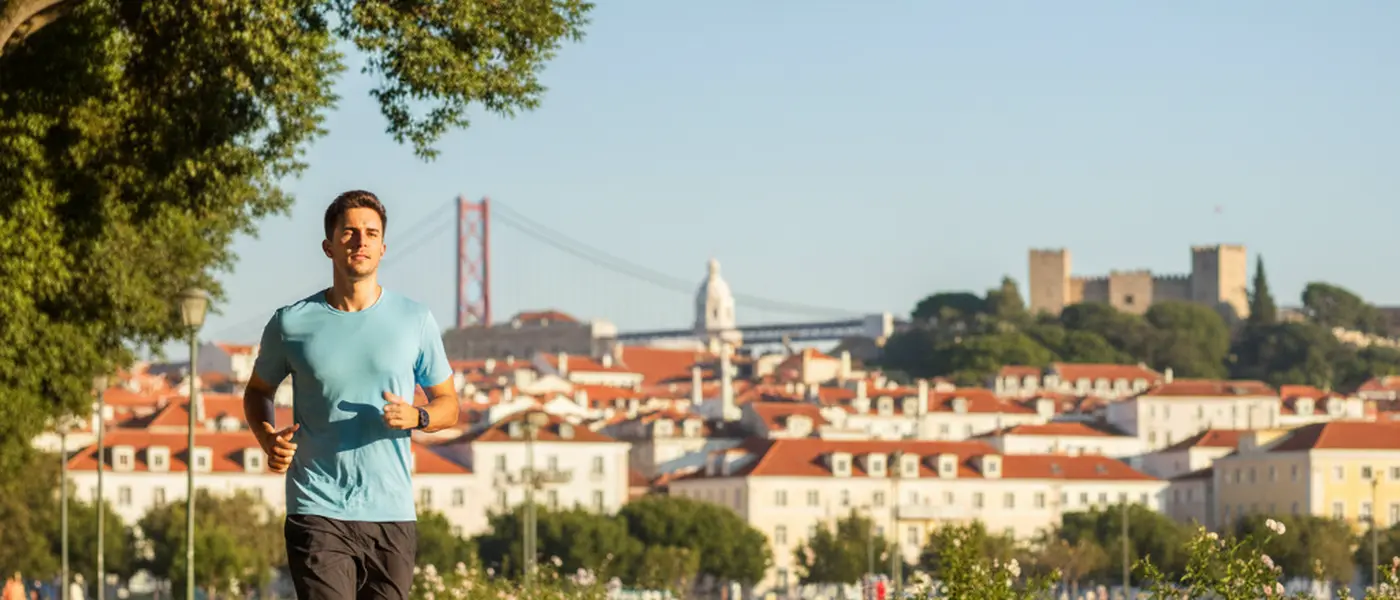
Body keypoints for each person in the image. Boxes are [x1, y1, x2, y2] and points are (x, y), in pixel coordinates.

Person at [243, 190, 459, 599]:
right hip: (317, 506)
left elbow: (450, 406)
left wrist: (418, 416)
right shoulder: (291, 323)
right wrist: (267, 437)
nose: (361, 241)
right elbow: (257, 390)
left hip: (391, 511)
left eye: (371, 233)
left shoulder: (415, 320)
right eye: (349, 232)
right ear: (329, 246)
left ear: (383, 248)